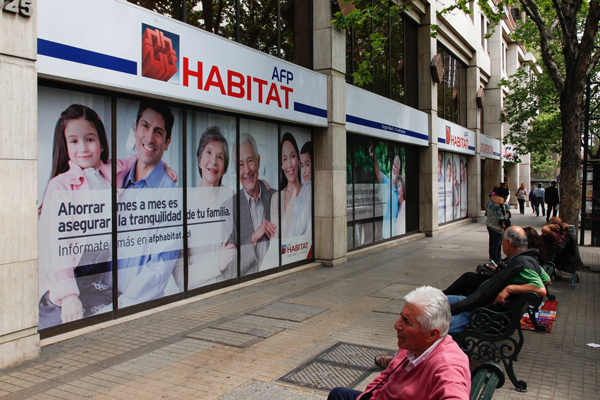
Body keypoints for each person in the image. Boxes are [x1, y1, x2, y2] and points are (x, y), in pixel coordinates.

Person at [38, 104, 175, 328]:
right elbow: (56, 247)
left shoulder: (112, 172)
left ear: (101, 143)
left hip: (100, 287)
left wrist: (163, 165)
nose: (83, 148)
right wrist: (69, 295)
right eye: (74, 141)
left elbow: (137, 159)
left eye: (89, 139)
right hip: (69, 283)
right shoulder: (60, 186)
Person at [329, 286, 471, 400]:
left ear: (432, 334)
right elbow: (386, 376)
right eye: (401, 317)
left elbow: (454, 391)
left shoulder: (447, 364)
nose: (397, 325)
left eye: (407, 322)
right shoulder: (412, 346)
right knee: (338, 393)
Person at [118, 101, 180, 308]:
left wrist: (119, 307)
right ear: (135, 128)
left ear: (167, 142)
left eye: (159, 132)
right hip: (99, 301)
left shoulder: (170, 195)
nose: (150, 138)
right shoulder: (116, 178)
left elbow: (160, 268)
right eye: (145, 126)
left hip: (136, 309)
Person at [447, 226, 549, 334]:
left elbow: (540, 289)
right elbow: (546, 279)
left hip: (486, 313)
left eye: (503, 241)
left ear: (509, 243)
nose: (502, 244)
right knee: (440, 301)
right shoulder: (529, 258)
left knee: (434, 327)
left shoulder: (523, 264)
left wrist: (510, 288)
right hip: (483, 304)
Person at [174, 126, 236, 290]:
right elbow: (181, 277)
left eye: (220, 157)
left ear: (224, 167)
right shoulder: (184, 203)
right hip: (199, 299)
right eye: (208, 153)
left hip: (232, 292)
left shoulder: (232, 198)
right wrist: (217, 264)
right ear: (200, 159)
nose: (213, 161)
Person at [224, 132, 277, 277]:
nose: (247, 170)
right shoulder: (229, 208)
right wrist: (253, 238)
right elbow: (230, 271)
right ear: (236, 170)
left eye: (250, 161)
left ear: (258, 161)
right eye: (241, 164)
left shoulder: (275, 197)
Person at [271, 132, 303, 239]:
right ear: (281, 165)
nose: (289, 164)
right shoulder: (276, 199)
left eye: (292, 156)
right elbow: (275, 240)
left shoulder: (308, 194)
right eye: (285, 159)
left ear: (298, 159)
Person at [371, 142, 401, 239]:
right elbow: (378, 172)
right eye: (393, 165)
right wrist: (374, 157)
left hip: (396, 236)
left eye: (396, 167)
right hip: (385, 237)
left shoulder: (400, 191)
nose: (393, 168)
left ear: (399, 171)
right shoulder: (386, 182)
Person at [290, 141, 312, 237]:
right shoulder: (305, 186)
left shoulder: (309, 188)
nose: (304, 171)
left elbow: (305, 216)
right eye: (302, 165)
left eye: (307, 165)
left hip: (298, 236)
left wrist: (294, 234)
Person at [486, 187, 509, 264]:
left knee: (493, 242)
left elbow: (487, 211)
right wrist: (503, 223)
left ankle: (493, 257)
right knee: (497, 243)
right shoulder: (500, 201)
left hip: (489, 223)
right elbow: (501, 214)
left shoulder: (491, 199)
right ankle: (495, 258)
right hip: (497, 225)